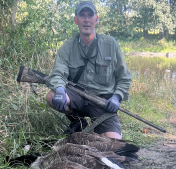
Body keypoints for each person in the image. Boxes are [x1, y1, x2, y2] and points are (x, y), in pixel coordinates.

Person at [46, 1, 131, 139]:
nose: (86, 20)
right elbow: (58, 73)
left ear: (96, 19)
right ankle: (79, 123)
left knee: (113, 142)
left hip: (102, 102)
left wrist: (117, 97)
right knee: (51, 96)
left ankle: (97, 126)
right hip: (77, 97)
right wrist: (60, 90)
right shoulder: (67, 46)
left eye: (90, 15)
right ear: (76, 20)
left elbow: (124, 77)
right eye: (82, 15)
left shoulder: (110, 44)